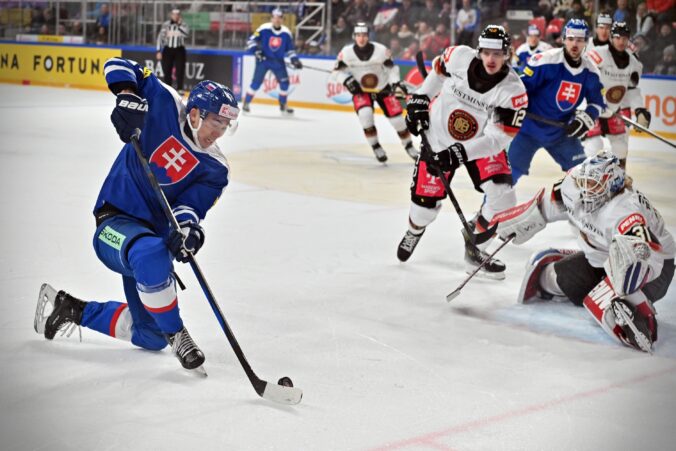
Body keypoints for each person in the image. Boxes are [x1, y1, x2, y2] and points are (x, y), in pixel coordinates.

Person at [33, 57, 240, 373]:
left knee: (149, 336)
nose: (219, 133)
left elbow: (190, 208)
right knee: (150, 252)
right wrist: (128, 94)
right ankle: (178, 334)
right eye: (216, 123)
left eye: (226, 127)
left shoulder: (215, 167)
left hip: (151, 241)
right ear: (196, 114)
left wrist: (187, 232)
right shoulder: (165, 102)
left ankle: (72, 309)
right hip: (113, 224)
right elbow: (118, 64)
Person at [494, 151, 675, 352]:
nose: (586, 190)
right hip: (601, 259)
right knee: (551, 280)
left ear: (612, 184)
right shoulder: (572, 187)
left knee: (610, 304)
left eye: (593, 185)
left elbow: (644, 252)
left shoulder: (625, 209)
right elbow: (542, 208)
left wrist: (626, 291)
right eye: (584, 182)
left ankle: (639, 312)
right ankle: (580, 269)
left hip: (654, 267)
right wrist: (514, 222)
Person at [398, 25, 529, 279]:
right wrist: (421, 98)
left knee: (503, 197)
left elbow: (498, 139)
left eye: (498, 53)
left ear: (507, 54)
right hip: (437, 138)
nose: (491, 59)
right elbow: (437, 71)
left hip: (481, 144)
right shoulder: (458, 56)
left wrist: (459, 153)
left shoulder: (514, 92)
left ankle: (475, 251)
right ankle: (415, 230)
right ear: (478, 51)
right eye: (487, 52)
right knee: (422, 212)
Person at [508, 19, 605, 185]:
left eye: (580, 40)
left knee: (582, 174)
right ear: (563, 39)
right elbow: (521, 89)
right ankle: (489, 210)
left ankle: (581, 207)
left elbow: (597, 103)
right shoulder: (545, 61)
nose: (575, 44)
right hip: (528, 129)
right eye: (571, 38)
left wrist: (586, 119)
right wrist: (510, 107)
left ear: (586, 42)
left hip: (562, 132)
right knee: (508, 174)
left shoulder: (591, 72)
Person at [332, 22, 418, 163]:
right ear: (354, 36)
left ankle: (409, 146)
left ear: (368, 36)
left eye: (364, 35)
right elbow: (336, 72)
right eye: (358, 35)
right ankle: (375, 146)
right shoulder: (346, 53)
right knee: (365, 117)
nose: (361, 38)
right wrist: (347, 80)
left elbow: (392, 69)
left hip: (382, 88)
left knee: (398, 121)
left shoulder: (381, 50)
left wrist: (395, 82)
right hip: (361, 91)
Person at [584, 22, 650, 168]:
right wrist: (597, 100)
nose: (621, 41)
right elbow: (584, 78)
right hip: (593, 109)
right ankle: (586, 180)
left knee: (621, 147)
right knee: (593, 146)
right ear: (611, 38)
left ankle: (619, 181)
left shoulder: (634, 63)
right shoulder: (597, 54)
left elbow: (632, 89)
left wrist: (640, 109)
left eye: (625, 38)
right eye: (618, 37)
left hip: (613, 110)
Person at [242, 8, 302, 116]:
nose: (277, 20)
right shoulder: (263, 28)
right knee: (256, 83)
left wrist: (295, 60)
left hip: (278, 62)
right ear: (271, 18)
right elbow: (251, 40)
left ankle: (283, 105)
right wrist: (256, 51)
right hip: (263, 61)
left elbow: (290, 50)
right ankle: (246, 103)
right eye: (275, 17)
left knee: (285, 84)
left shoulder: (286, 33)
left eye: (279, 18)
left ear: (282, 19)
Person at [156, 9, 189, 94]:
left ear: (179, 16)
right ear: (171, 15)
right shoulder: (166, 25)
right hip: (168, 49)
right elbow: (160, 37)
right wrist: (158, 50)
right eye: (174, 14)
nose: (175, 16)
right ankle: (168, 88)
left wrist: (179, 25)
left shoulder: (183, 24)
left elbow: (186, 34)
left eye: (177, 14)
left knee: (180, 69)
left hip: (179, 49)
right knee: (166, 69)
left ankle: (180, 88)